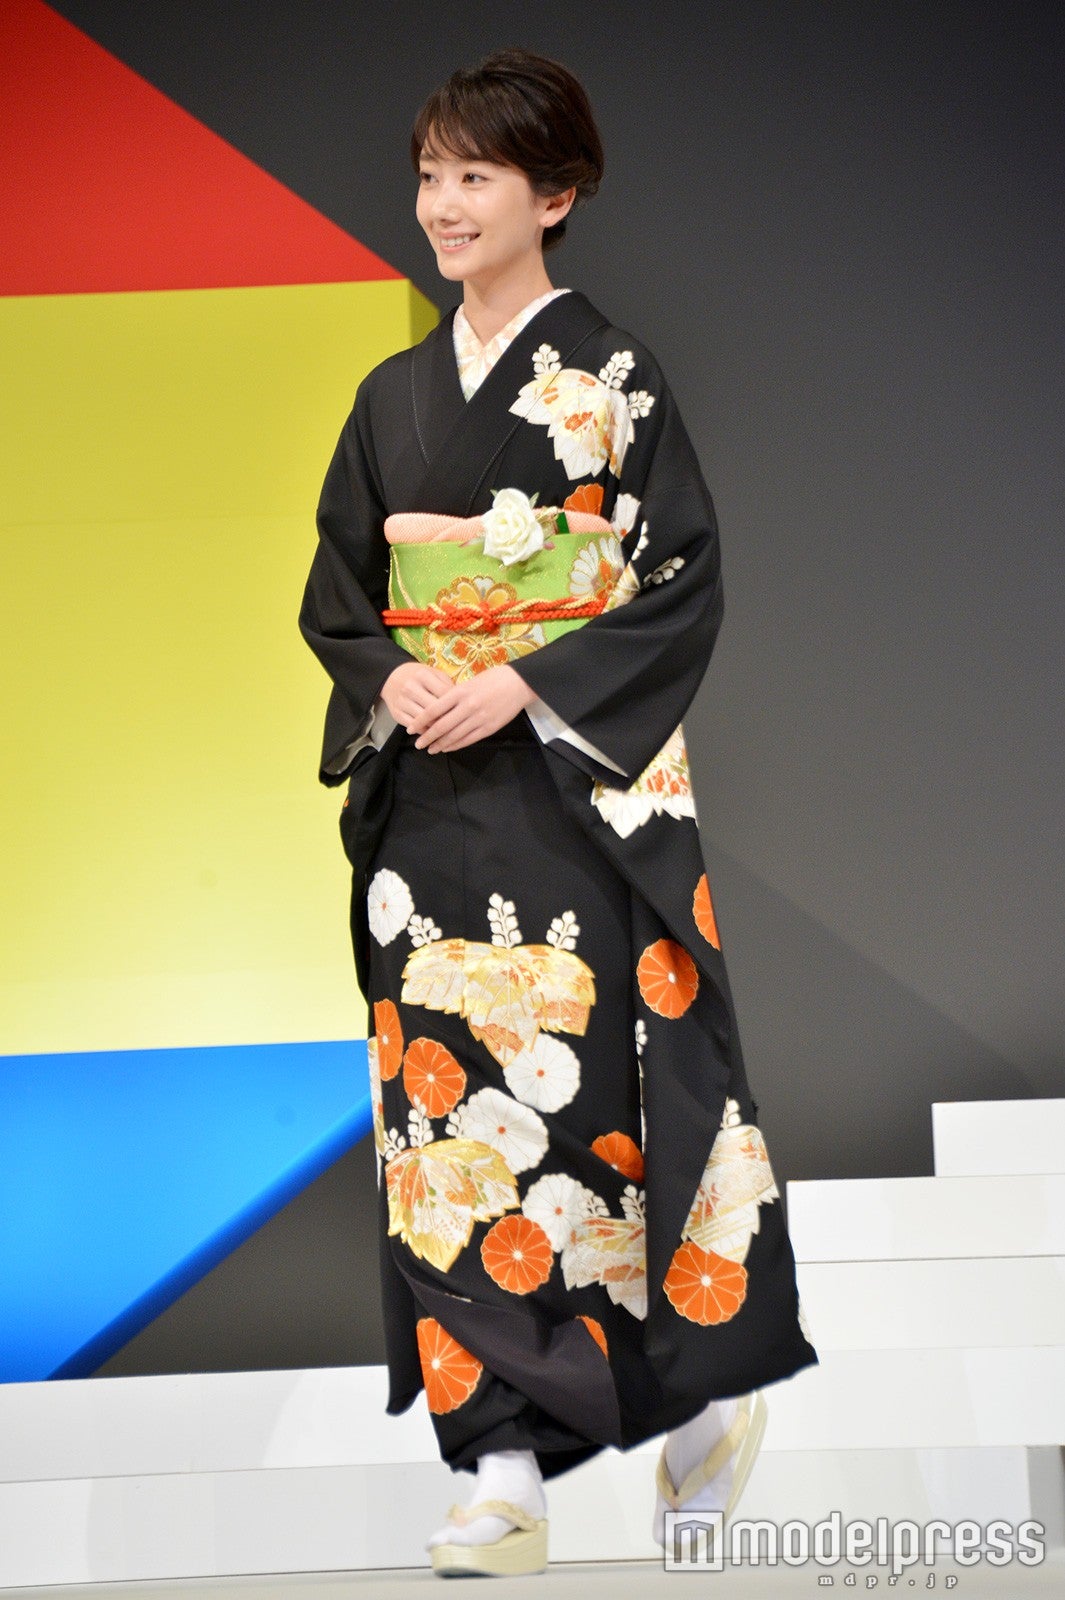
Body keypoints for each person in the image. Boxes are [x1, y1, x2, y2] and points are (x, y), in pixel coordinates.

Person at [299, 47, 818, 1578]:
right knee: (446, 1117)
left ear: (556, 193)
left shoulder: (613, 380)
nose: (442, 203)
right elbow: (340, 595)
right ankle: (502, 1469)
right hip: (429, 808)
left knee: (597, 1103)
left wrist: (524, 683)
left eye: (476, 174)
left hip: (571, 800)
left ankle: (693, 1406)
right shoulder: (388, 397)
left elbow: (679, 580)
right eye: (429, 174)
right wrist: (397, 676)